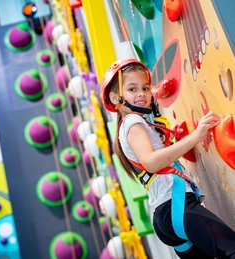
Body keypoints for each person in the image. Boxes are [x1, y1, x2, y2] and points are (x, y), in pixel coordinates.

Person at [99, 58, 235, 258]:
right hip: (176, 206)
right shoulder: (133, 122)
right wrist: (196, 136)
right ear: (115, 98)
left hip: (166, 219)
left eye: (145, 88)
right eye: (132, 89)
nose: (141, 94)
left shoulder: (135, 125)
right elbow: (151, 162)